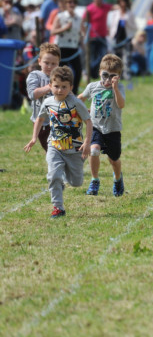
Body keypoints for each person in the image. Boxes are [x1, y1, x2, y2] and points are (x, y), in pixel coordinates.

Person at [23, 66, 92, 218]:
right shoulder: (47, 102)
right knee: (53, 175)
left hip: (75, 149)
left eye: (64, 87)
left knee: (76, 182)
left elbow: (88, 121)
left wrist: (87, 141)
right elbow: (40, 118)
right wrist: (34, 137)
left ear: (71, 87)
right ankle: (58, 208)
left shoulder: (75, 103)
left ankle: (64, 178)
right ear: (50, 85)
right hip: (54, 146)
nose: (59, 90)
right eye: (56, 86)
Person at [78, 54, 126, 197]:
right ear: (99, 72)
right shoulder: (92, 86)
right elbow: (80, 99)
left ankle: (118, 179)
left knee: (114, 160)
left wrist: (115, 88)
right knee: (93, 151)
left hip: (112, 129)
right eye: (105, 75)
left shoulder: (119, 88)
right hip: (96, 127)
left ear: (118, 77)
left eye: (112, 76)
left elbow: (121, 104)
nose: (107, 80)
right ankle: (94, 180)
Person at [26, 43, 61, 152]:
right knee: (50, 149)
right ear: (39, 61)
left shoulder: (60, 76)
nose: (50, 66)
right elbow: (33, 95)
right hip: (41, 123)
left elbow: (69, 95)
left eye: (53, 64)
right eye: (46, 63)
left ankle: (61, 168)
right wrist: (49, 87)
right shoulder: (35, 75)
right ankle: (56, 167)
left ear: (58, 64)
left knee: (60, 148)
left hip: (59, 120)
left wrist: (80, 106)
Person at [51, 0, 83, 94]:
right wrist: (64, 28)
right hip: (62, 47)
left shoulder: (79, 18)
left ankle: (74, 92)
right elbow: (53, 31)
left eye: (73, 2)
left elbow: (81, 32)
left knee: (78, 71)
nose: (71, 4)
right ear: (66, 4)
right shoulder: (60, 16)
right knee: (61, 72)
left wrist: (83, 41)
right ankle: (58, 92)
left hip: (74, 47)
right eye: (69, 2)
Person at [83, 0, 113, 78]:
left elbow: (115, 7)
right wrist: (85, 34)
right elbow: (83, 22)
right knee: (91, 57)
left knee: (103, 57)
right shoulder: (89, 8)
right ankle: (89, 73)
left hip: (102, 37)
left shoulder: (106, 7)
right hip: (91, 37)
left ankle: (97, 73)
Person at [107, 0, 137, 79]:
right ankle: (116, 75)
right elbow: (112, 25)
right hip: (116, 39)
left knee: (126, 58)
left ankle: (126, 75)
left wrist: (127, 22)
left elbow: (134, 27)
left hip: (126, 39)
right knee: (116, 58)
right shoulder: (115, 13)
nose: (122, 4)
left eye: (124, 2)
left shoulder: (130, 14)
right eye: (121, 2)